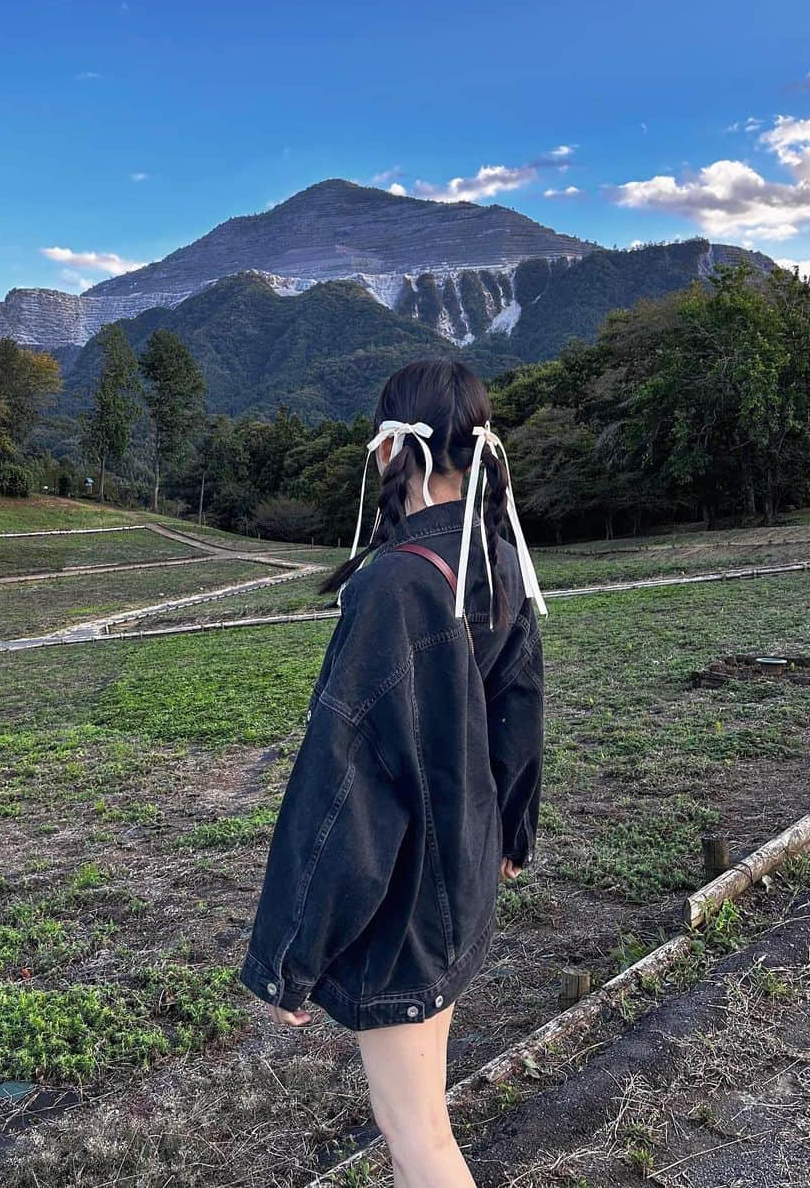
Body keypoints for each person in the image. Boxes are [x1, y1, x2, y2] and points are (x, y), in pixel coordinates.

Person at [240, 358, 546, 1187]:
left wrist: (290, 954)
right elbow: (520, 705)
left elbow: (346, 786)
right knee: (417, 1118)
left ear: (389, 451)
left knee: (415, 1131)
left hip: (411, 898)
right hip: (464, 869)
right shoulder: (497, 556)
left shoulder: (396, 585)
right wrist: (512, 831)